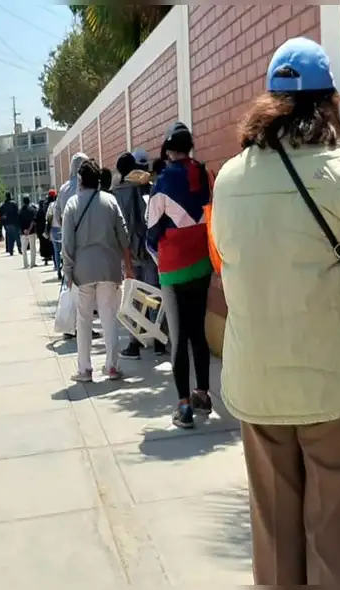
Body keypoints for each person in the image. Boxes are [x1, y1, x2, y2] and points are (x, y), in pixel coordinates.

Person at [210, 38, 340, 585]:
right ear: (329, 101)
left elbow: (228, 266)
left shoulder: (229, 179)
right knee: (331, 532)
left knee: (275, 535)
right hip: (333, 383)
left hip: (258, 382)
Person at [146, 122, 215, 429]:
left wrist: (160, 258)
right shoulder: (205, 174)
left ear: (168, 150)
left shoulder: (162, 182)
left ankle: (184, 407)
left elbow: (151, 233)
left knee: (179, 338)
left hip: (173, 269)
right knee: (198, 332)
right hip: (202, 265)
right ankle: (203, 394)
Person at [62, 158, 134, 383]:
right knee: (108, 317)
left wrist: (67, 271)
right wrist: (128, 266)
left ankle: (85, 369)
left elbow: (67, 242)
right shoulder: (110, 201)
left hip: (82, 271)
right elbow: (124, 236)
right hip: (109, 268)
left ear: (80, 180)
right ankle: (112, 366)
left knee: (83, 320)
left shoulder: (72, 204)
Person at [113, 150, 168, 359]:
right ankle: (159, 341)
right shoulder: (147, 187)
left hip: (128, 252)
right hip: (148, 248)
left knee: (133, 299)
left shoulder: (116, 192)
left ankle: (134, 344)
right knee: (154, 294)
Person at [54, 153, 88, 282]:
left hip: (68, 240)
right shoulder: (89, 186)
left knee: (70, 279)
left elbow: (57, 215)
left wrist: (65, 226)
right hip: (87, 240)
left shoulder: (64, 188)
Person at [18, 196, 39, 269]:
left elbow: (18, 222)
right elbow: (34, 221)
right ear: (29, 201)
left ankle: (25, 264)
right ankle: (32, 263)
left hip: (23, 232)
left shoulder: (20, 210)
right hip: (31, 232)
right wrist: (29, 229)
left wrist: (23, 230)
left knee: (24, 249)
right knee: (33, 248)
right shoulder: (32, 210)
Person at [37, 189, 55, 264]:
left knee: (46, 242)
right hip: (55, 225)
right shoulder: (55, 203)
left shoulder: (45, 203)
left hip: (47, 225)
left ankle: (47, 257)